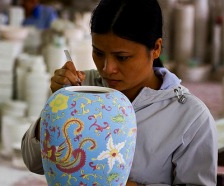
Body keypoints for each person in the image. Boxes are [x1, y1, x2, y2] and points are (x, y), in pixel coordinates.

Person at [21, 0, 218, 185]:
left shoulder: (191, 118)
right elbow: (34, 163)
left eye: (122, 57)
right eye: (98, 53)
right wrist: (55, 109)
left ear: (156, 48)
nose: (107, 69)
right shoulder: (80, 89)